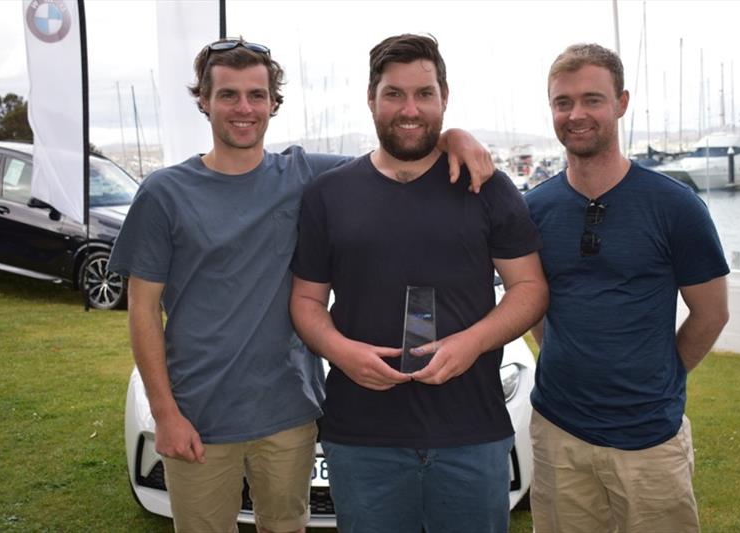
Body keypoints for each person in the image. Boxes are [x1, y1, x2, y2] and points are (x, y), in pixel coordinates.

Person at [108, 38, 497, 533]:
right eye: (228, 95)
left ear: (273, 102)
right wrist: (165, 414)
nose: (244, 108)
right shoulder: (164, 192)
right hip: (198, 414)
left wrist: (454, 136)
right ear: (203, 101)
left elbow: (398, 147)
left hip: (289, 414)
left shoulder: (306, 175)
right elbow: (142, 310)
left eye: (257, 94)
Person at [289, 34, 548, 533]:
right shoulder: (329, 194)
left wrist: (473, 342)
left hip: (470, 432)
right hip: (362, 436)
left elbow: (530, 288)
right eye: (394, 94)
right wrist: (340, 351)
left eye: (424, 93)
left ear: (444, 99)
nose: (410, 109)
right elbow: (305, 298)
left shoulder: (484, 185)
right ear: (371, 99)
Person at [525, 43, 730, 533]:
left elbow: (711, 313)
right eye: (563, 102)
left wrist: (663, 374)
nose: (576, 114)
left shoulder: (675, 207)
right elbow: (532, 300)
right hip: (558, 432)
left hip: (650, 440)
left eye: (592, 99)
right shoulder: (534, 209)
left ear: (621, 102)